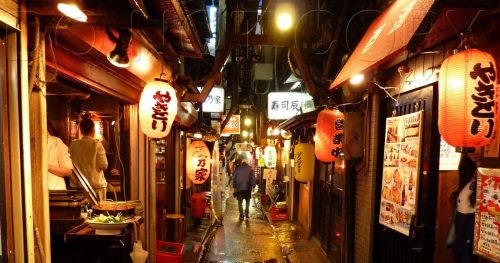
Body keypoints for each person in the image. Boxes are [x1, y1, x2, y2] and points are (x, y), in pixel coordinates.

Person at [449, 147, 482, 263]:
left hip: (473, 225)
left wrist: (480, 163)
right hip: (461, 222)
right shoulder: (466, 173)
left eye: (478, 146)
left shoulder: (485, 170)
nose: (473, 151)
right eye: (469, 147)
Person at [69, 118, 108, 201]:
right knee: (98, 212)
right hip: (96, 187)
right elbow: (103, 165)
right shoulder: (96, 144)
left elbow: (69, 163)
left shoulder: (73, 144)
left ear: (81, 130)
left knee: (82, 213)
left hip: (78, 187)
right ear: (93, 129)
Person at [47, 126, 73, 190]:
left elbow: (68, 171)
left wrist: (46, 166)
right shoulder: (26, 142)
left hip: (55, 190)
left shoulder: (56, 142)